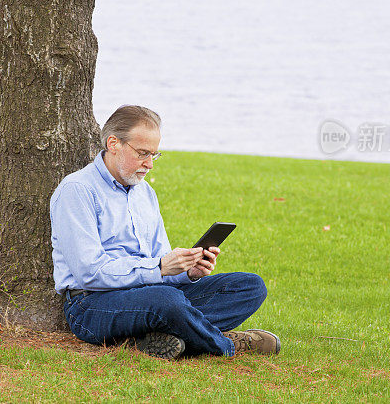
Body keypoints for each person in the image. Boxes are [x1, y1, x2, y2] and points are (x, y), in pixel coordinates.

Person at [50, 105, 280, 359]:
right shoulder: (77, 190)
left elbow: (161, 264)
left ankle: (157, 337)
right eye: (142, 153)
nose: (149, 164)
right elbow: (89, 273)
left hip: (151, 294)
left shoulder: (144, 192)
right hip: (92, 305)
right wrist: (159, 268)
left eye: (154, 155)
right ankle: (226, 345)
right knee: (167, 301)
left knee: (249, 287)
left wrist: (188, 272)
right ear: (113, 143)